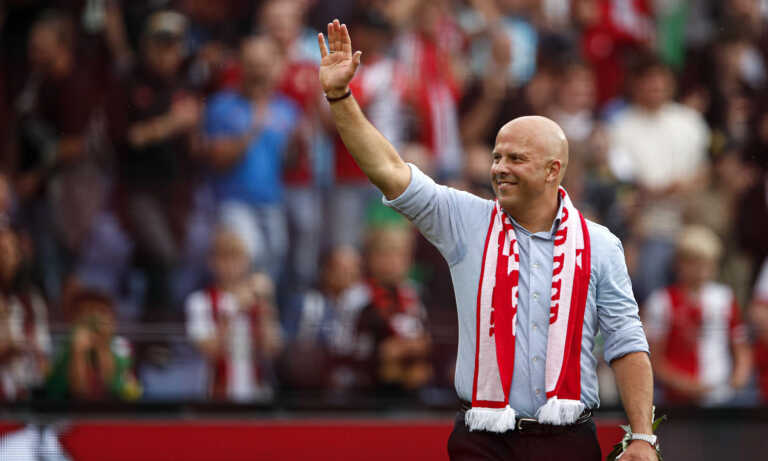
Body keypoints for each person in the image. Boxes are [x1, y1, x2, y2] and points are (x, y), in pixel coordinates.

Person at [317, 19, 654, 460]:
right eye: (496, 157)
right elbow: (390, 170)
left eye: (516, 158)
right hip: (482, 440)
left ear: (553, 170)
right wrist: (340, 97)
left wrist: (643, 436)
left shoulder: (600, 245)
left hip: (567, 442)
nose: (499, 168)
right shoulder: (465, 220)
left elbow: (626, 343)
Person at [203, 36, 300, 282]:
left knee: (274, 260)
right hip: (232, 201)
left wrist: (299, 145)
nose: (259, 72)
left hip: (272, 201)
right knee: (248, 256)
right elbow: (216, 158)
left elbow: (289, 163)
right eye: (253, 64)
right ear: (242, 66)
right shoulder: (222, 105)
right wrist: (252, 128)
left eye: (264, 65)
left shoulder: (287, 109)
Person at [643, 225, 752, 406]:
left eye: (708, 263)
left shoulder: (724, 297)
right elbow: (654, 358)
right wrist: (686, 385)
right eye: (695, 262)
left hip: (722, 397)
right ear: (679, 263)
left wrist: (739, 377)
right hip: (678, 401)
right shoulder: (662, 302)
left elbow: (740, 345)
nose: (702, 269)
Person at [185, 228, 283, 402]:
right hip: (215, 397)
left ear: (247, 261)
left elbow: (272, 349)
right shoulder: (199, 301)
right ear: (211, 261)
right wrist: (233, 309)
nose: (231, 265)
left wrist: (266, 306)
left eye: (236, 257)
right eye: (224, 258)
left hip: (257, 396)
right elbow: (210, 351)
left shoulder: (256, 298)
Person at [356, 225, 432, 394]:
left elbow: (426, 336)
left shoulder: (415, 293)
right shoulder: (358, 297)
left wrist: (415, 346)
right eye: (385, 254)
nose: (393, 262)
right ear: (369, 258)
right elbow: (347, 348)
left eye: (400, 255)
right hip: (366, 389)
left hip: (413, 386)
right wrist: (381, 353)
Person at [45, 289, 140, 400]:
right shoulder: (61, 345)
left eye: (101, 311)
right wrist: (77, 353)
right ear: (72, 319)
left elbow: (114, 387)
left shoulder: (121, 345)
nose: (95, 318)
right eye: (86, 312)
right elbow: (77, 392)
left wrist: (103, 347)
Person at [0, 225, 50, 401]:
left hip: (26, 394)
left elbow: (43, 355)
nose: (4, 259)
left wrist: (35, 356)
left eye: (8, 252)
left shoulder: (32, 301)